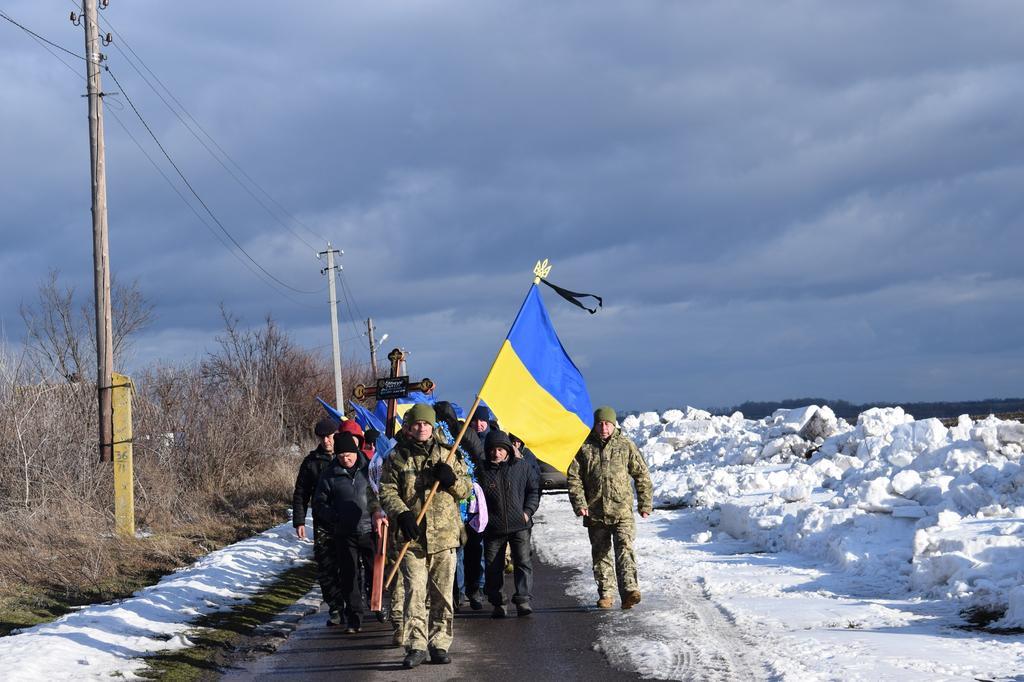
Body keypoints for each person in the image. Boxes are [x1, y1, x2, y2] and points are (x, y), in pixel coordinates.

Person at [378, 403, 470, 669]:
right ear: (409, 426)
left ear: (433, 426)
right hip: (412, 537)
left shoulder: (449, 454)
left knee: (442, 595)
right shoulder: (397, 456)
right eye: (417, 423)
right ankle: (416, 645)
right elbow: (386, 491)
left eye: (426, 424)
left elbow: (466, 490)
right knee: (415, 593)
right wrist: (402, 514)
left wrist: (451, 480)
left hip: (444, 537)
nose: (422, 428)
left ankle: (439, 642)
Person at [567, 406, 653, 610]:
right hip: (595, 511)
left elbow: (641, 475)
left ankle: (630, 591)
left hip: (622, 511)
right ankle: (606, 594)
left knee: (625, 549)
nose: (604, 428)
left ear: (614, 425)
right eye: (600, 424)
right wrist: (579, 503)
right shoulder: (584, 447)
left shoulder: (625, 445)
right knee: (601, 554)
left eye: (607, 424)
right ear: (595, 425)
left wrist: (645, 503)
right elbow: (574, 478)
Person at [312, 432, 382, 634]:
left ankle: (378, 605)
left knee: (374, 571)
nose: (345, 458)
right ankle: (354, 617)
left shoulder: (369, 469)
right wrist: (333, 517)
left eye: (348, 454)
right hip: (344, 533)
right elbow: (319, 503)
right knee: (349, 576)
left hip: (370, 530)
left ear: (356, 452)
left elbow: (381, 492)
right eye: (341, 455)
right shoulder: (329, 474)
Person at [476, 430, 540, 618]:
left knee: (523, 562)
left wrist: (527, 513)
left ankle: (523, 600)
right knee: (493, 567)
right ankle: (498, 603)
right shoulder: (481, 470)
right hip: (493, 528)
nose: (496, 453)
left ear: (508, 450)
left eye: (500, 450)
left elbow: (533, 491)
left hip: (519, 525)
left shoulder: (522, 467)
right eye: (493, 450)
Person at [433, 401, 484, 611]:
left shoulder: (465, 434)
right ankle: (457, 593)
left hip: (469, 498)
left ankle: (473, 590)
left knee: (472, 547)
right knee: (455, 550)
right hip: (447, 501)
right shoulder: (436, 436)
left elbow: (478, 461)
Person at [292, 417, 342, 625]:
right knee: (325, 565)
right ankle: (335, 607)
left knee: (348, 562)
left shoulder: (346, 456)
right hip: (323, 522)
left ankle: (352, 602)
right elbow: (301, 493)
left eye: (330, 437)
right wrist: (299, 520)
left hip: (347, 519)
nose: (327, 441)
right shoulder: (311, 462)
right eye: (323, 438)